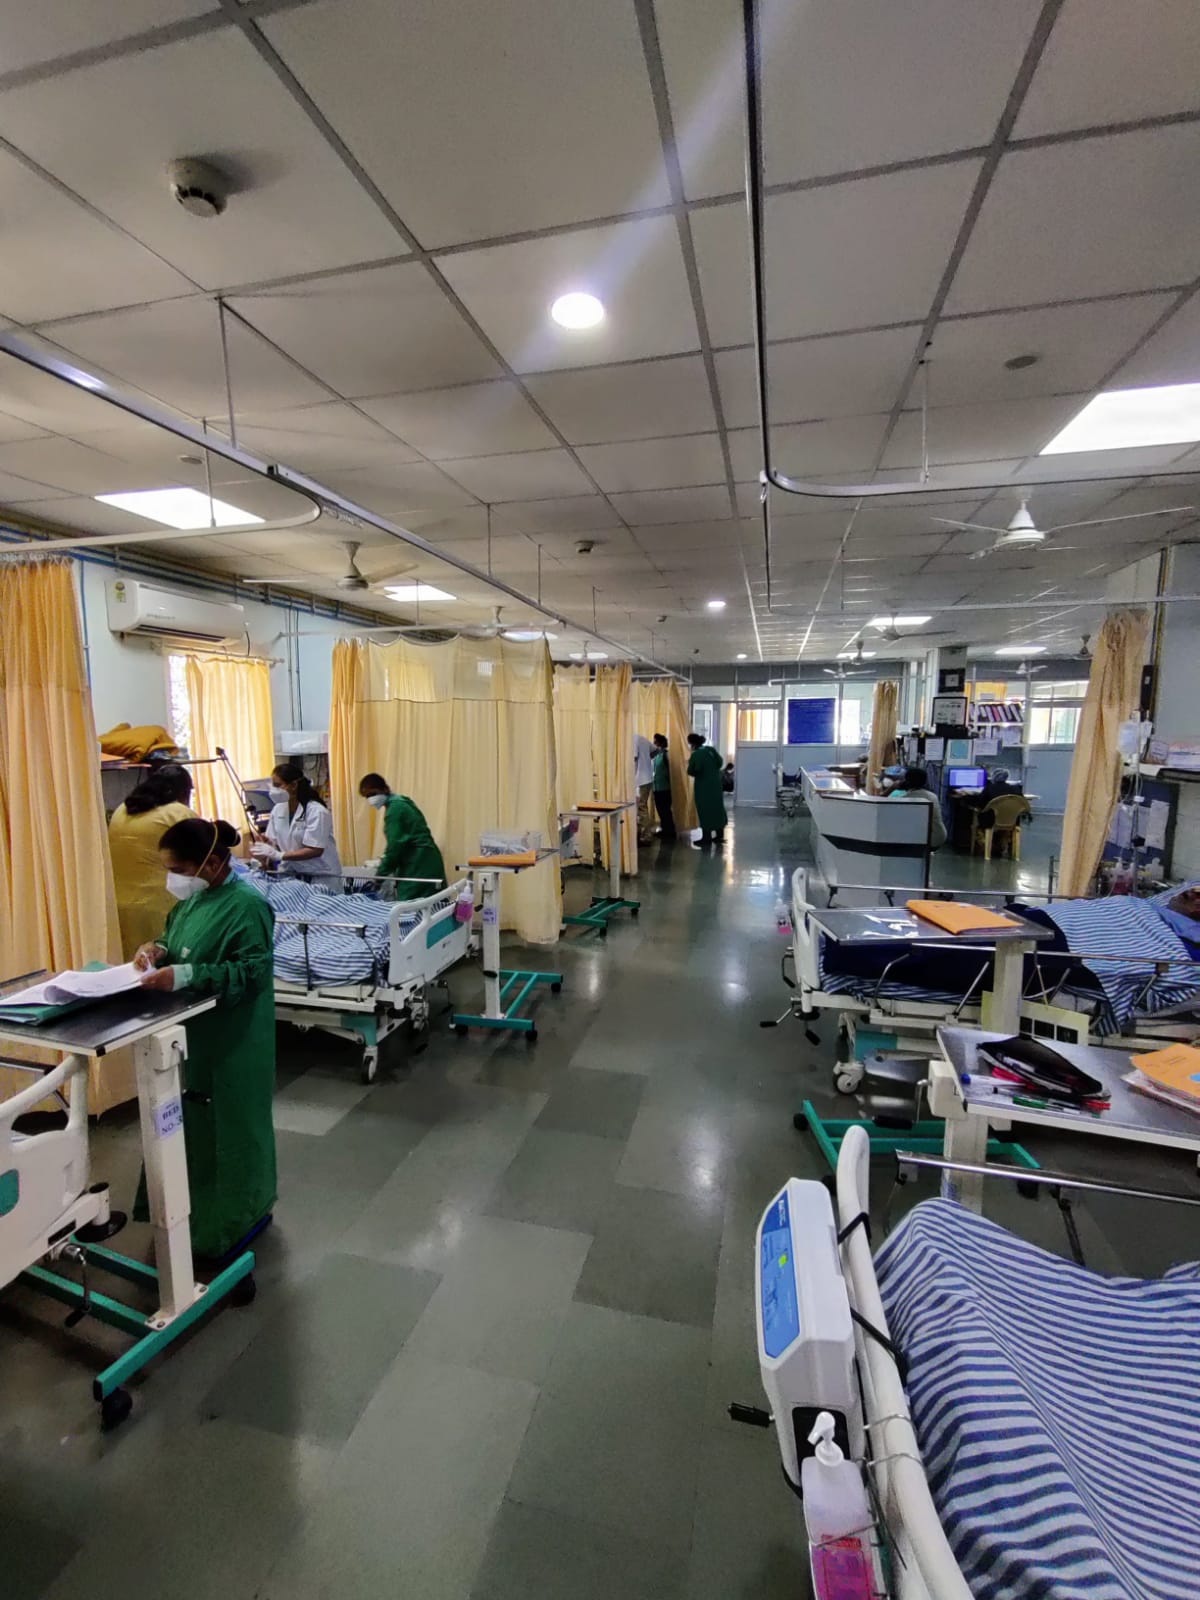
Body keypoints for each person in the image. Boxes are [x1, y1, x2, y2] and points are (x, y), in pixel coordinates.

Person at [133, 817, 276, 1261]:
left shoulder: (248, 906)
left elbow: (252, 972)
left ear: (212, 863)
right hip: (189, 1033)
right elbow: (176, 938)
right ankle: (182, 1216)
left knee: (231, 1128)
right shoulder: (193, 901)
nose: (173, 879)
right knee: (185, 1126)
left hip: (233, 1037)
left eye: (178, 870)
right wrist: (157, 950)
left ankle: (236, 1219)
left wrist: (186, 975)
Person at [107, 762, 195, 959]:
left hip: (120, 906)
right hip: (160, 907)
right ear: (184, 792)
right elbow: (206, 857)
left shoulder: (123, 809)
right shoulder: (177, 813)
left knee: (133, 964)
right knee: (161, 963)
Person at [358, 772, 446, 898]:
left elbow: (395, 847)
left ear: (385, 789)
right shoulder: (402, 801)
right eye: (367, 796)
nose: (371, 799)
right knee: (435, 905)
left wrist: (379, 877)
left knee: (408, 907)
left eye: (373, 794)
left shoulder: (395, 809)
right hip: (428, 860)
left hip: (418, 865)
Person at [253, 760, 342, 879]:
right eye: (273, 786)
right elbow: (274, 841)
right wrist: (267, 845)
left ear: (294, 785)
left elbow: (315, 850)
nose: (273, 790)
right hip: (291, 873)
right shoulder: (278, 810)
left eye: (278, 785)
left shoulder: (317, 812)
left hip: (320, 875)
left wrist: (279, 855)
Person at [887, 765, 947, 849]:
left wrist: (891, 788)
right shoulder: (932, 795)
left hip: (930, 838)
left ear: (907, 781)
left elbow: (881, 805)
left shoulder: (906, 799)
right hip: (940, 834)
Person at [687, 732, 728, 848]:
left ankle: (706, 837)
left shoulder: (696, 755)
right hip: (716, 784)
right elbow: (720, 763)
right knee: (717, 808)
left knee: (705, 810)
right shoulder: (710, 750)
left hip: (703, 786)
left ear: (692, 744)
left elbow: (692, 770)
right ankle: (719, 835)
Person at [651, 732, 676, 840]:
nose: (654, 743)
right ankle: (664, 829)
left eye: (655, 741)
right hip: (656, 787)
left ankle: (670, 831)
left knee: (665, 810)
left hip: (665, 788)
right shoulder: (657, 756)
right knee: (660, 810)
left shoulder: (666, 755)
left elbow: (671, 771)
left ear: (660, 743)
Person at [634, 731, 655, 843]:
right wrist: (646, 760)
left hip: (640, 779)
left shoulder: (632, 739)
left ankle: (646, 836)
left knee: (641, 807)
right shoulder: (641, 738)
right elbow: (655, 750)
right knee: (641, 807)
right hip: (647, 778)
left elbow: (633, 759)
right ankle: (641, 833)